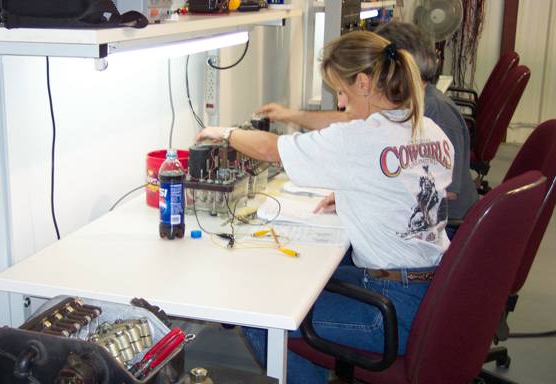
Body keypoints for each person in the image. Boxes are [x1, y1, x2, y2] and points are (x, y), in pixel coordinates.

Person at [196, 30, 453, 383]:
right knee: (304, 283)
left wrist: (224, 133)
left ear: (363, 83)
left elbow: (273, 149)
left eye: (342, 93)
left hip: (392, 310)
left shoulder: (361, 139)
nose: (342, 104)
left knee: (258, 313)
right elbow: (411, 186)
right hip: (435, 293)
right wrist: (356, 194)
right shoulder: (431, 129)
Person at [261, 22, 478, 238]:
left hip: (449, 230)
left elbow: (444, 192)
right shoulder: (405, 107)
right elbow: (349, 120)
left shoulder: (434, 111)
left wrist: (366, 196)